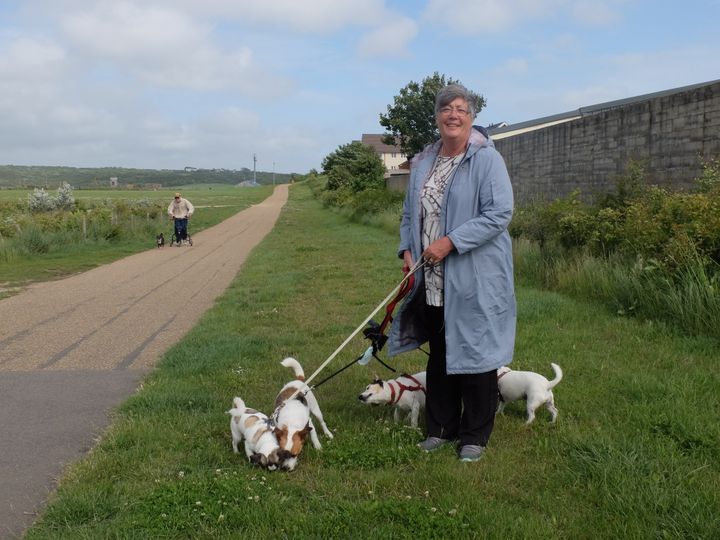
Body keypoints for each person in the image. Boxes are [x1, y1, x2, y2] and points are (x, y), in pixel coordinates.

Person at [386, 83, 516, 462]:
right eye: (446, 109)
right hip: (432, 278)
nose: (453, 115)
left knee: (477, 355)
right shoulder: (425, 161)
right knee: (440, 352)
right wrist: (407, 249)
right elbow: (411, 213)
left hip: (474, 276)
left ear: (471, 117)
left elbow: (498, 214)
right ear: (438, 117)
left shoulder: (486, 159)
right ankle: (441, 428)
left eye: (461, 108)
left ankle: (474, 435)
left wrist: (450, 242)